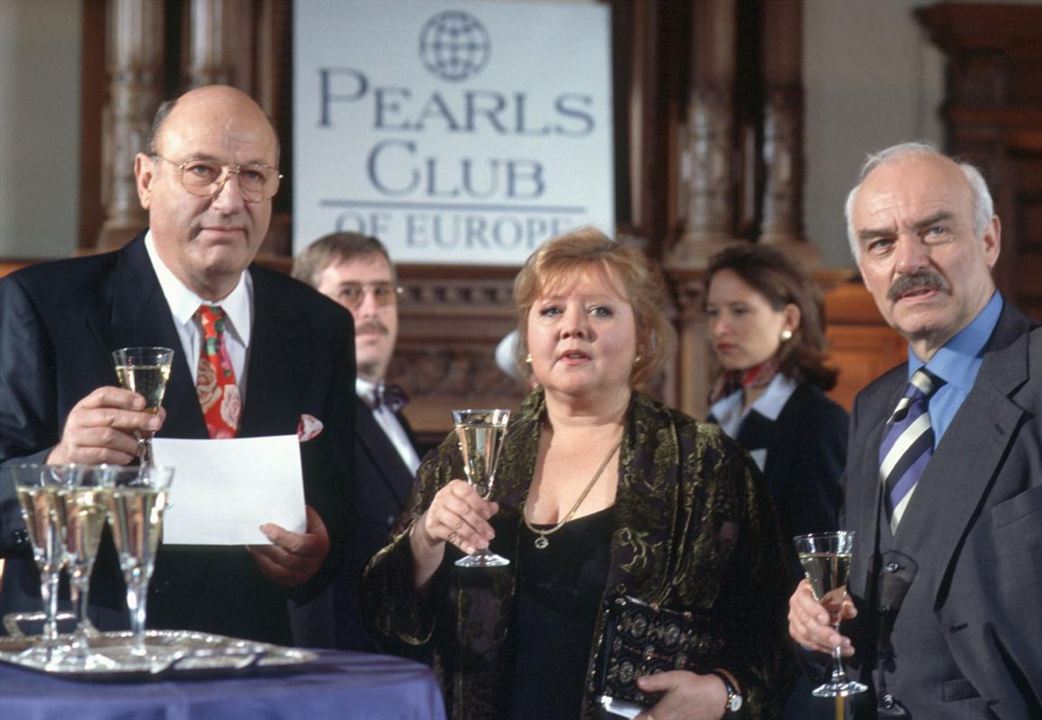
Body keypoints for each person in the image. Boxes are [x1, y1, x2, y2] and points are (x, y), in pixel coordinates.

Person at [363, 228, 793, 719]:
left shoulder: (707, 464)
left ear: (644, 337)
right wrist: (424, 539)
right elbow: (381, 614)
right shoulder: (466, 456)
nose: (573, 327)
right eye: (550, 311)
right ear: (528, 339)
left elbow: (776, 628)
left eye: (600, 310)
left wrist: (724, 692)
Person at [0, 85, 354, 646]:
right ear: (145, 179)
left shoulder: (319, 326)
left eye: (254, 176)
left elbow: (341, 503)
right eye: (202, 170)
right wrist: (60, 464)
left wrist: (317, 552)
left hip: (252, 668)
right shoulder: (41, 306)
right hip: (89, 665)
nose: (230, 198)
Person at [787, 142, 1042, 718]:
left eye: (934, 231)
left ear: (990, 239)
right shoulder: (874, 406)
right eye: (882, 243)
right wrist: (814, 612)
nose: (907, 261)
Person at [704, 244, 846, 720]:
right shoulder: (719, 415)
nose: (721, 327)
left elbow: (821, 546)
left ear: (788, 317)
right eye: (714, 312)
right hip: (723, 646)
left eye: (740, 310)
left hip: (788, 658)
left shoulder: (816, 421)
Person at [292, 232, 422, 651]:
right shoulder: (304, 419)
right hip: (347, 667)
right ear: (309, 308)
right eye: (350, 293)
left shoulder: (396, 416)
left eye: (383, 292)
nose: (371, 309)